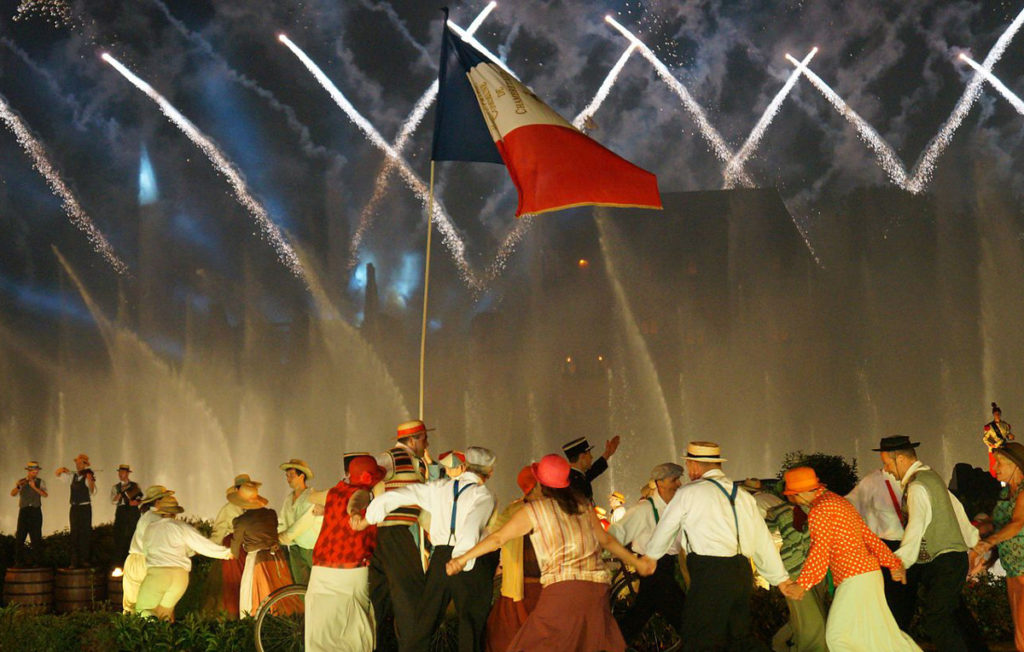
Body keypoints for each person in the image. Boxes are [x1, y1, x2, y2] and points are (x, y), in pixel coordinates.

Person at [446, 453, 641, 652]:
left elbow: (496, 537)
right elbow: (606, 539)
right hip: (592, 591)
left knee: (531, 643)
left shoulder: (533, 511)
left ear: (540, 483)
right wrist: (639, 562)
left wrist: (462, 558)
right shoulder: (582, 506)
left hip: (557, 589)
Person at [635, 441, 796, 651]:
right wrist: (781, 579)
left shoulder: (689, 493)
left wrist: (650, 557)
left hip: (709, 573)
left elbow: (666, 528)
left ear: (694, 465)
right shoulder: (743, 496)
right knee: (739, 638)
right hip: (740, 573)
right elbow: (762, 540)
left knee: (698, 638)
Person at [361, 446, 498, 652]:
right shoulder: (484, 496)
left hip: (440, 559)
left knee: (424, 623)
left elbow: (402, 494)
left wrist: (371, 515)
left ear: (466, 466)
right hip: (467, 561)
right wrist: (461, 559)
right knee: (470, 626)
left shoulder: (440, 488)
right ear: (490, 472)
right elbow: (471, 529)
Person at [781, 467, 918, 651]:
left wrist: (802, 584)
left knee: (838, 636)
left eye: (793, 495)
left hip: (854, 578)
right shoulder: (838, 502)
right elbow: (868, 536)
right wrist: (893, 563)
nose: (794, 500)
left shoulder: (819, 510)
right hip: (869, 575)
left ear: (801, 493)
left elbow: (820, 550)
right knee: (880, 636)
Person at [880, 435, 986, 652]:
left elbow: (916, 526)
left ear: (900, 459)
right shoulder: (931, 478)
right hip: (950, 561)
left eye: (887, 463)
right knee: (951, 614)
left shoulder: (918, 486)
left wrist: (900, 561)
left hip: (944, 561)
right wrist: (973, 540)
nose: (887, 470)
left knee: (937, 618)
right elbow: (955, 508)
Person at [304, 454, 386, 652]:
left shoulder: (335, 492)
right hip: (351, 566)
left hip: (322, 566)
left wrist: (327, 508)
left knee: (321, 626)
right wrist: (355, 512)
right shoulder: (363, 493)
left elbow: (313, 496)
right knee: (352, 624)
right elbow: (356, 502)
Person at [370, 419, 432, 651]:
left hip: (389, 535)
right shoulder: (392, 458)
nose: (427, 443)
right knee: (410, 596)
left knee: (383, 598)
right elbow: (365, 472)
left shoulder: (415, 462)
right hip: (394, 534)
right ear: (413, 439)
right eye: (424, 438)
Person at [608, 462, 686, 645]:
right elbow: (618, 532)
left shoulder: (675, 507)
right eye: (674, 480)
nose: (679, 484)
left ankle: (609, 644)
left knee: (640, 614)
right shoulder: (644, 509)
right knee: (684, 617)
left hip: (665, 567)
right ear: (660, 483)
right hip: (654, 568)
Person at [136, 495, 232, 621]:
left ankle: (149, 637)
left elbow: (146, 550)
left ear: (161, 512)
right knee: (164, 613)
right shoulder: (181, 527)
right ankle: (163, 636)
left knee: (143, 610)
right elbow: (202, 545)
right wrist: (227, 553)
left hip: (158, 573)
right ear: (175, 513)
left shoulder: (151, 528)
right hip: (180, 577)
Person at [971, 442, 1024, 651]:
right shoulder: (1005, 494)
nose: (995, 469)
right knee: (1019, 635)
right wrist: (974, 530)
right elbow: (995, 522)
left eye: (1000, 463)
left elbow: (1017, 523)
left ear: (1017, 466)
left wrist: (988, 542)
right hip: (1013, 567)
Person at [484, 465, 543, 652]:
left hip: (526, 584)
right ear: (535, 486)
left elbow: (494, 530)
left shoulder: (515, 509)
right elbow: (496, 534)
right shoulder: (545, 508)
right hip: (530, 584)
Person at [846, 466, 911, 628]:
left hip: (911, 544)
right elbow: (850, 503)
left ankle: (902, 634)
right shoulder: (873, 481)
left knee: (908, 596)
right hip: (886, 545)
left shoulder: (913, 479)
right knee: (892, 598)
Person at [764, 494, 827, 652]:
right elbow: (762, 532)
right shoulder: (778, 510)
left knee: (809, 616)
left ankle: (780, 644)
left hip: (814, 568)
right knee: (812, 620)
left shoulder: (815, 508)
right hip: (795, 569)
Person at [231, 482, 292, 617]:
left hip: (256, 560)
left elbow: (234, 550)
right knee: (280, 590)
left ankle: (255, 621)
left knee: (252, 594)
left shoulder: (241, 521)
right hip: (276, 557)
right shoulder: (271, 514)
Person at [207, 473, 254, 618]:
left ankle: (249, 615)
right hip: (234, 550)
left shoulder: (253, 506)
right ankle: (234, 617)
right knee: (234, 582)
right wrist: (209, 548)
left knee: (249, 582)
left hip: (249, 549)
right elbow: (219, 532)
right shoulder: (229, 509)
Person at [122, 485, 174, 613]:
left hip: (134, 560)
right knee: (153, 604)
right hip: (147, 561)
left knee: (131, 603)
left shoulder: (147, 516)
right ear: (158, 501)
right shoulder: (157, 519)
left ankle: (128, 629)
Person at [278, 459, 322, 586]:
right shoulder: (288, 499)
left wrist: (283, 537)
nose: (288, 479)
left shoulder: (312, 496)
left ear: (301, 476)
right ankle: (305, 606)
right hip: (294, 546)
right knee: (300, 584)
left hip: (311, 547)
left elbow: (304, 522)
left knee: (317, 584)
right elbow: (282, 521)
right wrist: (277, 535)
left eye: (291, 475)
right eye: (287, 476)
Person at [55, 453, 96, 567]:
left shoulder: (88, 475)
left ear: (85, 464)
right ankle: (74, 561)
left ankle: (85, 560)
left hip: (85, 507)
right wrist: (64, 469)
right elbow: (57, 474)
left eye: (80, 463)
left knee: (85, 533)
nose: (78, 465)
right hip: (74, 507)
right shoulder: (72, 476)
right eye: (77, 463)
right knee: (74, 534)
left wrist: (90, 480)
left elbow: (92, 491)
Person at [562, 435, 620, 503]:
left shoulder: (576, 476)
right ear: (582, 456)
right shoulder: (575, 482)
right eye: (589, 454)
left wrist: (607, 453)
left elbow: (592, 472)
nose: (591, 457)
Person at [11, 461, 47, 567]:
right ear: (29, 471)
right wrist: (18, 487)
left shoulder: (40, 482)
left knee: (36, 537)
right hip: (24, 511)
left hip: (35, 510)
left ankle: (37, 562)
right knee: (20, 536)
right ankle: (18, 562)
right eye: (34, 471)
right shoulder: (21, 481)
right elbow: (12, 494)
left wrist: (34, 487)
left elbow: (45, 494)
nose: (36, 473)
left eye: (37, 471)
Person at [111, 464, 143, 566]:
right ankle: (120, 563)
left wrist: (134, 503)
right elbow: (113, 501)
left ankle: (133, 562)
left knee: (133, 535)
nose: (121, 474)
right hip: (121, 511)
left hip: (132, 512)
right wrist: (121, 492)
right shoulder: (116, 487)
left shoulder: (134, 485)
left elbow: (139, 499)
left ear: (127, 473)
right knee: (120, 537)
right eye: (119, 472)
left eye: (123, 472)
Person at [986, 403, 1015, 478]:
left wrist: (1010, 436)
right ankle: (993, 479)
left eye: (998, 413)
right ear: (993, 414)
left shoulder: (1005, 425)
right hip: (994, 449)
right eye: (996, 414)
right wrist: (993, 444)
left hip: (1003, 448)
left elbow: (1007, 434)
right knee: (994, 465)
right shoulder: (989, 426)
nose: (997, 415)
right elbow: (985, 438)